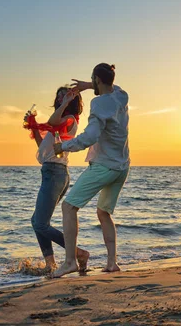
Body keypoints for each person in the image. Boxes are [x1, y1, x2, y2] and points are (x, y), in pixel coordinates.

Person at [52, 63, 130, 278]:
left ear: (97, 79)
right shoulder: (122, 96)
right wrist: (90, 84)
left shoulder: (98, 104)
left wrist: (63, 146)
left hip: (105, 165)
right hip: (122, 165)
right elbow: (114, 87)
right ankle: (112, 263)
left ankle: (69, 262)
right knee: (103, 212)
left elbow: (90, 136)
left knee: (69, 207)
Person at [23, 86, 89, 273]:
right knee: (36, 220)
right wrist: (33, 125)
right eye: (59, 95)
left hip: (55, 173)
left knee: (40, 223)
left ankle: (79, 253)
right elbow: (42, 146)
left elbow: (53, 120)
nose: (60, 97)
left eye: (65, 95)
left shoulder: (69, 120)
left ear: (72, 100)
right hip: (52, 172)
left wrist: (66, 102)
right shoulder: (57, 125)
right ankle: (50, 264)